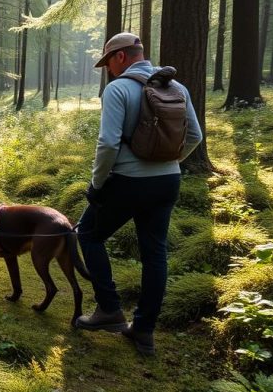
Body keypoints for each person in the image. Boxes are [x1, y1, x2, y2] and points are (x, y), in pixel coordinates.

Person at [73, 32, 203, 356]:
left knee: (88, 233)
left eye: (108, 63)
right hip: (168, 182)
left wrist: (97, 184)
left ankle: (109, 310)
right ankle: (144, 331)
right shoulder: (177, 88)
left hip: (127, 182)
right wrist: (168, 163)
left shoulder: (118, 89)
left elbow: (108, 144)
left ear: (120, 57)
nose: (109, 70)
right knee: (155, 254)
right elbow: (195, 137)